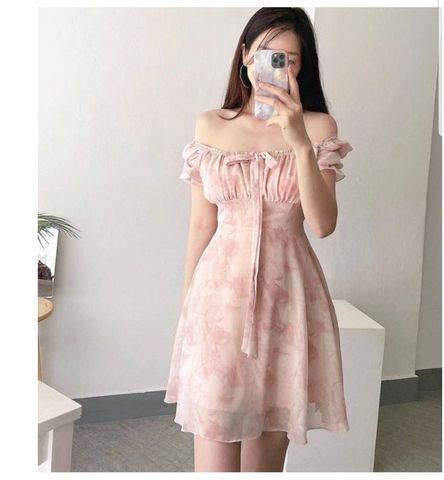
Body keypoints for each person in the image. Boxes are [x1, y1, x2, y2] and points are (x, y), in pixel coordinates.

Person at [164, 7, 352, 472]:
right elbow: (201, 225)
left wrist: (298, 141)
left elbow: (322, 224)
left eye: (288, 59)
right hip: (218, 307)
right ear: (246, 55)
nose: (275, 66)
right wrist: (187, 309)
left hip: (288, 304)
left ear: (300, 68)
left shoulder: (318, 128)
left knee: (263, 467)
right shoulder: (211, 125)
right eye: (266, 53)